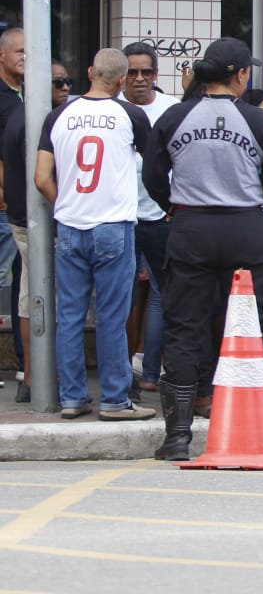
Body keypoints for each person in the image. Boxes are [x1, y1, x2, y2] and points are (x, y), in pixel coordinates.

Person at [143, 38, 263, 460]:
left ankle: (176, 436)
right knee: (248, 327)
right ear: (241, 74)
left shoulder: (174, 117)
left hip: (191, 225)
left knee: (184, 327)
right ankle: (245, 422)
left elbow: (154, 178)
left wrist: (173, 206)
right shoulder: (259, 122)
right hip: (245, 226)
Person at [35, 48, 155, 421]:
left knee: (69, 316)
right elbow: (152, 170)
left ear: (89, 72)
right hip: (114, 227)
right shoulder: (131, 115)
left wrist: (66, 206)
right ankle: (115, 400)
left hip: (70, 225)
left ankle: (72, 398)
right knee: (111, 316)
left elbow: (41, 178)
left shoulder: (58, 116)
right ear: (121, 81)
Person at [3, 62, 69, 403]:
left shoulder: (24, 115)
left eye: (67, 81)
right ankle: (43, 377)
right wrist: (67, 210)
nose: (65, 88)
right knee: (48, 299)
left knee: (31, 298)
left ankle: (34, 377)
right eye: (57, 83)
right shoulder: (36, 120)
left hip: (26, 221)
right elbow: (42, 179)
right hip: (39, 223)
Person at [121, 41, 180, 394]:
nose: (139, 79)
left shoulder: (172, 109)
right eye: (132, 72)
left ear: (156, 75)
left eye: (146, 72)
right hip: (121, 218)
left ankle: (150, 374)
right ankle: (123, 375)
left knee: (162, 294)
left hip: (162, 216)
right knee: (121, 297)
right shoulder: (111, 110)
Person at [0, 28, 24, 380]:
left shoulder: (33, 95)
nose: (25, 57)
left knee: (26, 287)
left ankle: (25, 363)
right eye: (19, 51)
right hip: (6, 208)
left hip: (27, 211)